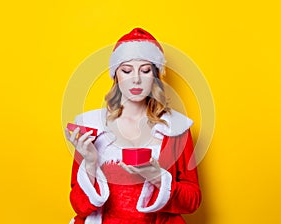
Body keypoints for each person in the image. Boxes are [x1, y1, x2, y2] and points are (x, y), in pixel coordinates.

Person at [65, 27, 201, 224]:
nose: (136, 78)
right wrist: (90, 162)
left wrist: (158, 178)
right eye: (127, 70)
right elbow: (78, 205)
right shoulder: (92, 127)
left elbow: (193, 201)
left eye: (145, 70)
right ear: (116, 75)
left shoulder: (176, 129)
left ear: (155, 75)